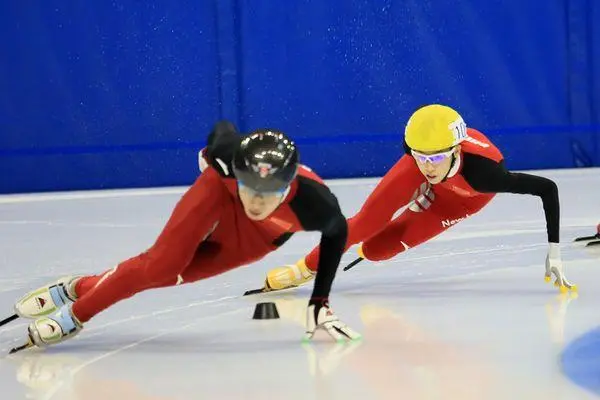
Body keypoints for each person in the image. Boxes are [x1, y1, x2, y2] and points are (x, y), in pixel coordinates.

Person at [10, 122, 360, 352]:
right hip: (217, 195)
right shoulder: (228, 158)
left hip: (258, 239)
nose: (255, 200)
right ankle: (76, 315)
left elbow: (337, 235)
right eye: (249, 186)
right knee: (162, 264)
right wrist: (209, 159)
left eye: (268, 193)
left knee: (170, 276)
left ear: (288, 186)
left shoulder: (317, 204)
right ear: (236, 170)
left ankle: (76, 287)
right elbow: (222, 130)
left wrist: (319, 303)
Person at [262, 104, 576, 294]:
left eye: (436, 157)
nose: (428, 165)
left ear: (455, 151)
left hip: (461, 200)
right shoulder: (418, 161)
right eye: (420, 155)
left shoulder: (485, 174)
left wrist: (555, 252)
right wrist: (308, 268)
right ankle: (307, 267)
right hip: (431, 183)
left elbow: (548, 188)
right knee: (366, 223)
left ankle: (388, 233)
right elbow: (421, 162)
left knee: (376, 251)